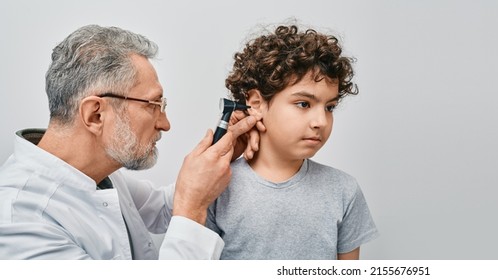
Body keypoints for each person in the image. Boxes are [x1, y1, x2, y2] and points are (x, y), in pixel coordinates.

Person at [0, 25, 261, 259]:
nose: (165, 124)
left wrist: (221, 152)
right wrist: (193, 209)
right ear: (96, 114)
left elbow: (162, 209)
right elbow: (185, 206)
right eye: (154, 105)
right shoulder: (21, 223)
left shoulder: (98, 174)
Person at [206, 24, 379, 260]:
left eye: (329, 107)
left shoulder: (343, 191)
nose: (321, 121)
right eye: (304, 104)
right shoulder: (216, 187)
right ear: (256, 103)